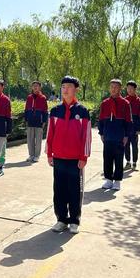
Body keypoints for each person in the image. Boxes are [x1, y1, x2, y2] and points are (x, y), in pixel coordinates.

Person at [46, 76, 91, 235]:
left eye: (69, 86)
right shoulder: (55, 111)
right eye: (63, 86)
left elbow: (86, 136)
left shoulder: (82, 111)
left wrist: (83, 156)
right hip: (58, 158)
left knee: (74, 190)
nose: (65, 89)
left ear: (75, 89)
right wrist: (49, 153)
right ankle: (61, 220)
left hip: (75, 160)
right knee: (59, 190)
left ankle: (74, 221)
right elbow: (50, 133)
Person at [98, 79, 132, 191]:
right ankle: (108, 179)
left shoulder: (125, 104)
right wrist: (101, 132)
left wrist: (126, 135)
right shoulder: (105, 103)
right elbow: (101, 119)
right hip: (107, 136)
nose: (113, 89)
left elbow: (128, 121)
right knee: (107, 158)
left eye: (116, 87)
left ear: (120, 89)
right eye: (111, 86)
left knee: (118, 159)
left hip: (119, 136)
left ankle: (117, 181)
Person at [24, 81, 48, 162]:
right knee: (30, 139)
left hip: (39, 122)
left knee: (38, 140)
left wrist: (44, 121)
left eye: (37, 86)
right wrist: (26, 119)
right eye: (34, 86)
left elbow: (45, 111)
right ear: (32, 87)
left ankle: (37, 155)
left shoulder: (43, 98)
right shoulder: (29, 97)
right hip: (30, 121)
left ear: (40, 87)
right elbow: (26, 110)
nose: (35, 87)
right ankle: (31, 155)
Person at [124, 80, 140, 170]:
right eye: (128, 88)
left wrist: (139, 129)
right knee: (126, 145)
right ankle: (128, 162)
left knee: (134, 146)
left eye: (131, 89)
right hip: (126, 127)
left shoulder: (139, 101)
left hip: (135, 127)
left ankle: (134, 163)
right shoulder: (124, 100)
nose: (129, 90)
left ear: (135, 89)